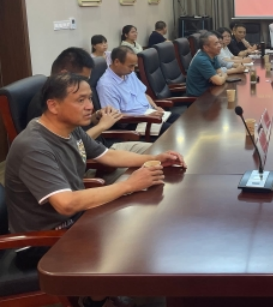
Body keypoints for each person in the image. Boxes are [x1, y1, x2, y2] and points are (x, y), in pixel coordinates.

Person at [5, 72, 185, 306]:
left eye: (89, 98)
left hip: (74, 223)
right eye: (80, 100)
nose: (90, 106)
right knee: (137, 244)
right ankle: (102, 297)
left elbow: (107, 155)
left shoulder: (70, 128)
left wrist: (155, 158)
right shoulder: (33, 146)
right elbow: (66, 203)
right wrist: (129, 185)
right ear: (53, 105)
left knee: (145, 225)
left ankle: (99, 296)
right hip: (42, 242)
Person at [27, 47, 153, 156]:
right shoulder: (47, 105)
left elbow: (79, 128)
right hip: (92, 160)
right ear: (64, 74)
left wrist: (96, 116)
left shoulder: (70, 95)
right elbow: (70, 146)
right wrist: (102, 126)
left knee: (158, 152)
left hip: (102, 148)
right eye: (81, 79)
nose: (85, 84)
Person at [97, 46, 179, 135]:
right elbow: (114, 116)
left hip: (149, 113)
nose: (133, 70)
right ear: (117, 62)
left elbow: (143, 94)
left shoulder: (129, 74)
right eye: (130, 66)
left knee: (180, 121)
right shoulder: (106, 85)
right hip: (134, 122)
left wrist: (155, 107)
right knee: (173, 131)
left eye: (134, 66)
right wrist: (144, 116)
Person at [187, 32, 228, 96]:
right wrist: (225, 75)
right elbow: (219, 81)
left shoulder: (213, 55)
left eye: (219, 42)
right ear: (206, 47)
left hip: (210, 91)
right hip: (198, 98)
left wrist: (220, 76)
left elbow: (220, 72)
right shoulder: (201, 60)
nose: (220, 45)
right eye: (216, 44)